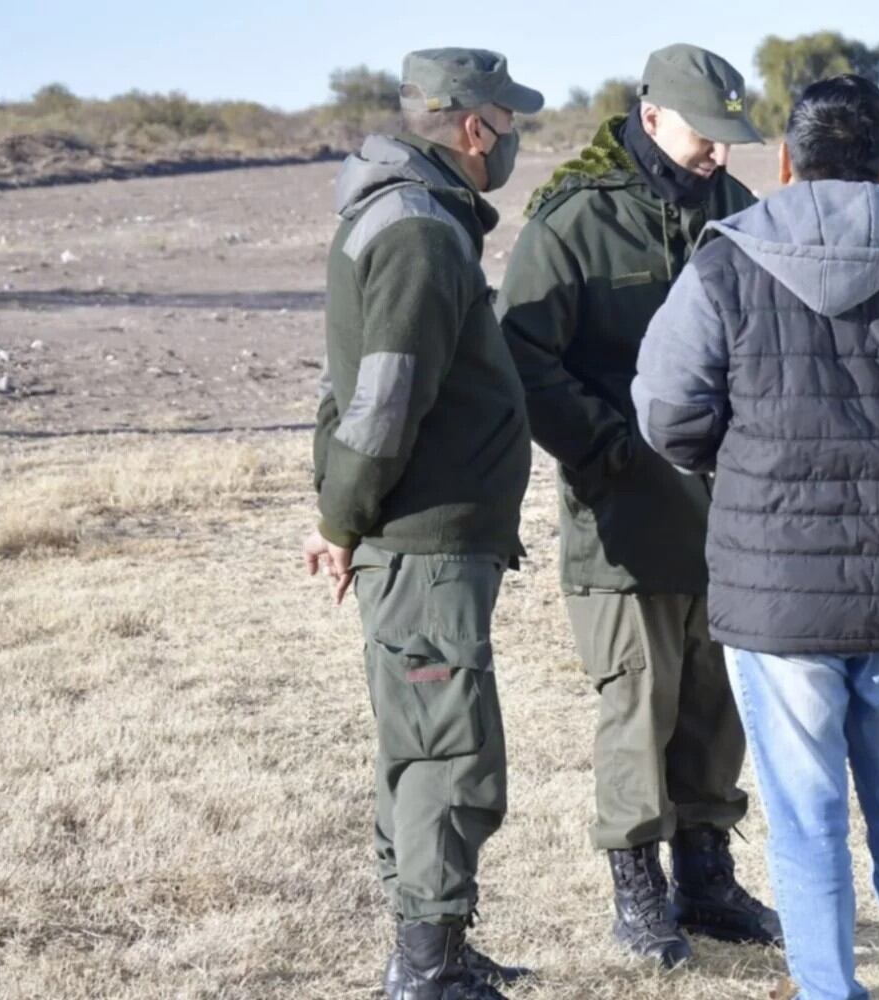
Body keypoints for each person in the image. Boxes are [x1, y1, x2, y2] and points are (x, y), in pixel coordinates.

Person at [632, 74, 879, 1000]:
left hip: (776, 604)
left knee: (804, 816)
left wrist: (734, 477)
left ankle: (828, 988)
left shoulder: (723, 267)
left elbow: (664, 411)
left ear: (784, 163)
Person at [495, 43, 780, 967]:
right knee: (639, 705)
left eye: (733, 139)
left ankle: (706, 878)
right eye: (708, 136)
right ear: (652, 116)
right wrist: (608, 450)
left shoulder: (740, 215)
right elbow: (525, 360)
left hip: (731, 515)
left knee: (716, 701)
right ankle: (639, 891)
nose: (720, 155)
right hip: (622, 517)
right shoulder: (573, 221)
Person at [304, 47, 542, 1000]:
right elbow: (383, 403)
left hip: (422, 536)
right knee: (447, 744)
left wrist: (342, 517)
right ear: (475, 128)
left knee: (420, 737)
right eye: (511, 120)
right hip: (426, 539)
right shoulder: (419, 232)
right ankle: (428, 967)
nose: (517, 136)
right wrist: (341, 518)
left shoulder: (417, 216)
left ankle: (432, 945)